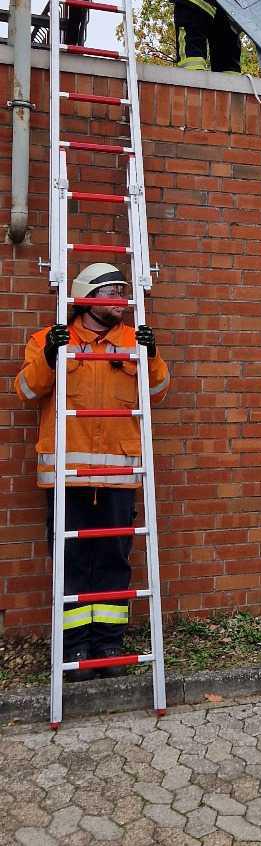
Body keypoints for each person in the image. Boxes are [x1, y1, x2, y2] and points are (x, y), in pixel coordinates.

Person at [14, 263, 170, 669]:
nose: (120, 299)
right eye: (110, 292)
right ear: (86, 297)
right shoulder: (51, 339)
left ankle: (108, 644)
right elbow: (27, 390)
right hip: (66, 477)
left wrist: (151, 355)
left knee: (114, 560)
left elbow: (158, 391)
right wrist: (51, 356)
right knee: (72, 562)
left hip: (118, 479)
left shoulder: (136, 341)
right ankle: (74, 646)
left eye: (122, 291)